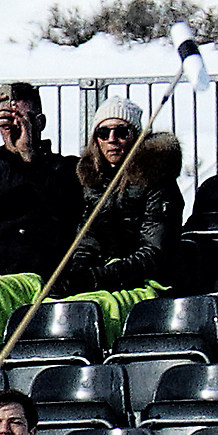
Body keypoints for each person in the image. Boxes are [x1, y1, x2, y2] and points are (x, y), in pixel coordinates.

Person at [0, 82, 78, 286]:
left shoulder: (65, 167)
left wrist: (29, 157)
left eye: (22, 118)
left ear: (40, 122)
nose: (15, 126)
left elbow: (62, 209)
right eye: (7, 120)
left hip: (41, 273)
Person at [68, 99, 182, 298]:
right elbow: (87, 242)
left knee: (93, 307)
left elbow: (155, 252)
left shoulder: (157, 180)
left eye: (121, 132)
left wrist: (99, 277)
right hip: (107, 278)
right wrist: (78, 275)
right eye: (103, 133)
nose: (112, 139)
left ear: (137, 137)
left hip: (149, 283)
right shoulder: (93, 183)